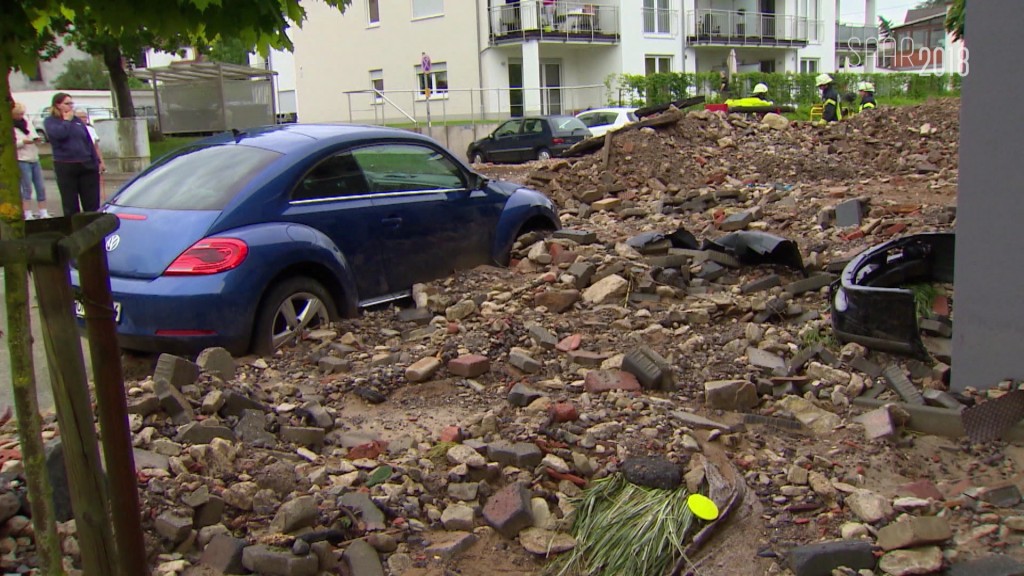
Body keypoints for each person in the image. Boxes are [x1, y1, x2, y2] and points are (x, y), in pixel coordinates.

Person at [43, 92, 103, 216]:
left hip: (85, 163)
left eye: (72, 103)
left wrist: (96, 161)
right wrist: (66, 121)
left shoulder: (77, 121)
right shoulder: (51, 121)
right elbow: (59, 135)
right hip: (66, 165)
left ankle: (92, 226)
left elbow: (87, 141)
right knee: (70, 203)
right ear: (58, 105)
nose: (71, 106)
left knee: (91, 202)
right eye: (67, 103)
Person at [12, 102, 49, 220]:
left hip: (34, 157)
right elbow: (12, 144)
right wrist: (23, 142)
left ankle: (43, 211)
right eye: (18, 114)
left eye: (22, 113)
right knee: (26, 186)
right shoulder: (10, 127)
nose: (21, 116)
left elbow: (33, 134)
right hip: (22, 159)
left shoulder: (27, 123)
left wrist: (36, 139)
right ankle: (27, 212)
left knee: (40, 186)